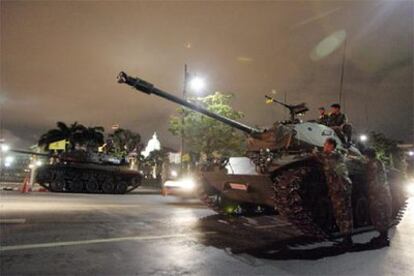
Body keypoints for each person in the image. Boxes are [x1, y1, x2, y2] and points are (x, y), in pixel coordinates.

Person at [316, 138, 354, 248]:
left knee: (342, 212)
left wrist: (314, 152)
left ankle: (347, 240)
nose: (324, 146)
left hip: (339, 188)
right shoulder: (337, 155)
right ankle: (347, 238)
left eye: (325, 144)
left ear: (331, 146)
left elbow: (320, 156)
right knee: (344, 211)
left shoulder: (332, 156)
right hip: (341, 188)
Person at [364, 148, 392, 246]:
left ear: (367, 155)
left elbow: (373, 180)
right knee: (383, 213)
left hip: (378, 193)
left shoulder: (372, 164)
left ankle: (384, 238)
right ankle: (383, 236)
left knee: (378, 214)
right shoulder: (378, 162)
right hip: (383, 191)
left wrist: (372, 193)